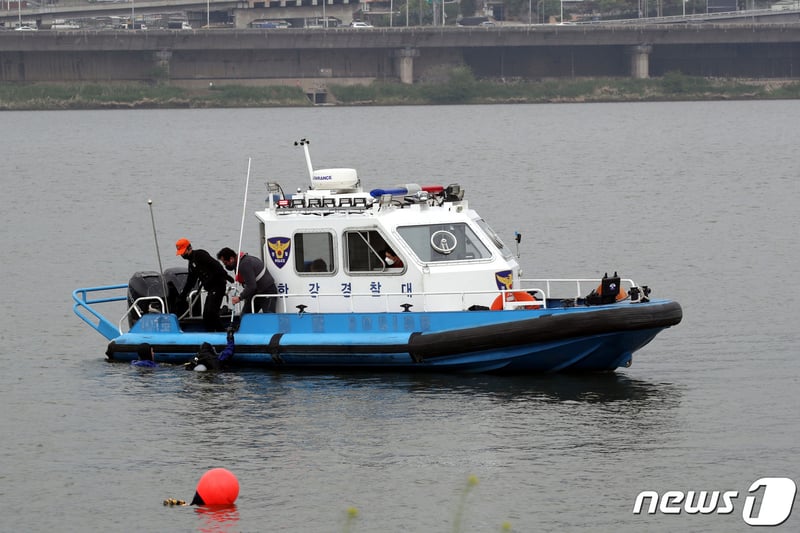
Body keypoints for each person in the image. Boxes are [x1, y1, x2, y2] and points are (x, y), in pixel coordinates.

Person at [176, 238, 234, 332]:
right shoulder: (191, 264)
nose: (182, 255)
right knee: (206, 315)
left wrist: (226, 276)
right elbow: (191, 281)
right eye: (180, 253)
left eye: (183, 252)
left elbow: (217, 266)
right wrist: (182, 296)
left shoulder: (200, 255)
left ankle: (222, 332)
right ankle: (210, 334)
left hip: (218, 286)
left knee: (211, 312)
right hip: (211, 289)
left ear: (189, 248)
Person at [216, 247, 277, 314]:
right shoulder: (238, 264)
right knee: (245, 316)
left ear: (231, 259)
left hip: (267, 291)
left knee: (269, 315)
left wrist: (239, 298)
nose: (225, 266)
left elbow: (251, 286)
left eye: (225, 263)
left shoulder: (244, 264)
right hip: (255, 292)